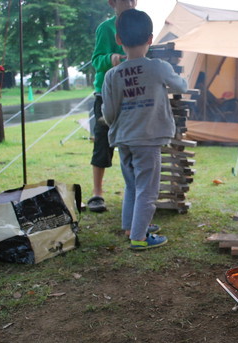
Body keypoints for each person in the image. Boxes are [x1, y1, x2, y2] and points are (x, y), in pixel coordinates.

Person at [102, 9, 188, 249]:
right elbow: (180, 85)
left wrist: (118, 128)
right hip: (147, 140)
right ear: (151, 39)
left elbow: (108, 112)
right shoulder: (158, 67)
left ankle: (131, 226)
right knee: (148, 191)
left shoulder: (112, 75)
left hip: (123, 139)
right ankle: (139, 239)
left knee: (132, 185)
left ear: (119, 39)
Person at [88, 0, 137, 213]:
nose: (131, 3)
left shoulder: (139, 24)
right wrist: (113, 58)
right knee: (103, 142)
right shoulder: (105, 28)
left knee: (135, 144)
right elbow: (97, 61)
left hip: (133, 93)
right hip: (106, 94)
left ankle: (136, 192)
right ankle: (97, 193)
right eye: (125, 0)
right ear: (112, 3)